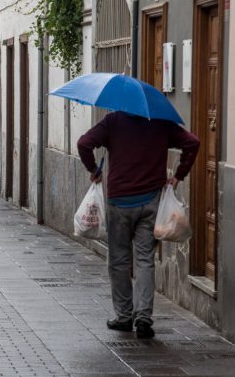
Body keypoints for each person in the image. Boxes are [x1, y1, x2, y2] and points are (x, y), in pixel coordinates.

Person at [77, 111, 199, 338]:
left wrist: (94, 170)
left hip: (119, 203)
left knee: (119, 261)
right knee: (145, 260)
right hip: (151, 202)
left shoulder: (113, 121)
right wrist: (179, 175)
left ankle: (124, 317)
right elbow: (192, 142)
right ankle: (143, 318)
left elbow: (84, 143)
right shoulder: (161, 122)